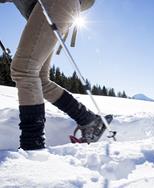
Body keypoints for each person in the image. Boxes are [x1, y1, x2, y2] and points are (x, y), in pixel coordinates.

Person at [0, 0, 112, 150]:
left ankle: (32, 145)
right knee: (39, 78)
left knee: (24, 69)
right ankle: (88, 119)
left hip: (53, 5)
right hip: (49, 9)